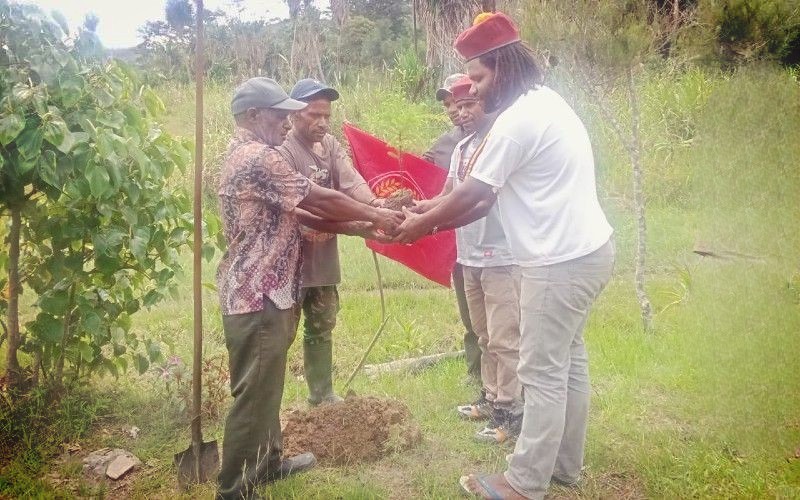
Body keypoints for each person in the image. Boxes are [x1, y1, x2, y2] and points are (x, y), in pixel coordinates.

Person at [394, 13, 615, 500]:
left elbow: (475, 195)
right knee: (568, 361)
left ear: (506, 67)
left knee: (541, 371)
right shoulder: (546, 101)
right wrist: (428, 210)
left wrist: (418, 226)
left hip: (557, 264)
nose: (472, 90)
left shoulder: (518, 121)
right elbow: (474, 196)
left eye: (478, 78)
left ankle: (524, 483)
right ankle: (564, 465)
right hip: (588, 252)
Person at [215, 77, 402, 500]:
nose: (286, 122)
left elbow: (313, 212)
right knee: (254, 392)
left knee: (268, 385)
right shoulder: (258, 158)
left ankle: (268, 462)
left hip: (272, 290)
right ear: (251, 116)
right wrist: (375, 217)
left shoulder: (257, 154)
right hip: (256, 292)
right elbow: (318, 199)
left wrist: (366, 222)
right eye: (279, 114)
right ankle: (235, 489)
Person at [420, 76, 522, 443]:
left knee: (505, 337)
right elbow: (448, 196)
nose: (461, 113)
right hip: (470, 256)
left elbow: (479, 201)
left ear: (486, 105)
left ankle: (512, 413)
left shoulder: (500, 144)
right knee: (483, 334)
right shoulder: (462, 148)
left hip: (501, 256)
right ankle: (492, 397)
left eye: (469, 105)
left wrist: (424, 224)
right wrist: (415, 209)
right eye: (456, 107)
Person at [278, 78, 384, 406]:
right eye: (314, 115)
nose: (322, 122)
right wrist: (363, 221)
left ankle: (321, 395)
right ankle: (271, 406)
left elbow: (352, 183)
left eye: (326, 115)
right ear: (294, 115)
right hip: (289, 263)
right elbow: (304, 209)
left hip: (323, 259)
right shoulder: (283, 153)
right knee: (281, 334)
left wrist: (377, 207)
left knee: (322, 324)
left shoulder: (332, 147)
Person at [423, 73, 482, 384]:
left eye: (459, 102)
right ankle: (477, 372)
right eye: (448, 104)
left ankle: (504, 384)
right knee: (470, 310)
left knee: (498, 317)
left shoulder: (493, 135)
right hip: (460, 241)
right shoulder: (446, 145)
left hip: (494, 240)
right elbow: (418, 175)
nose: (453, 109)